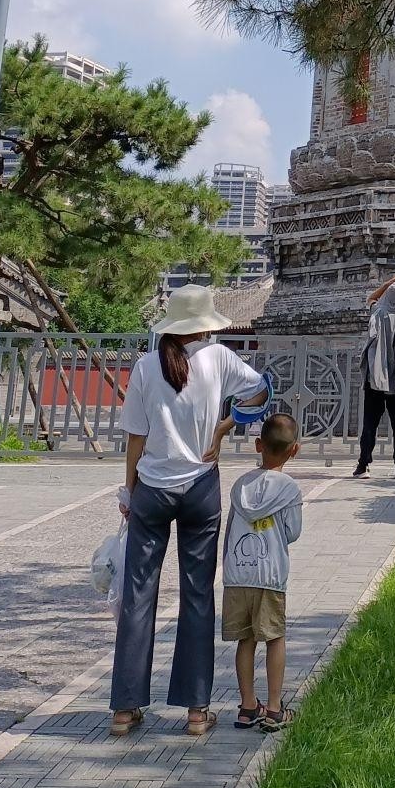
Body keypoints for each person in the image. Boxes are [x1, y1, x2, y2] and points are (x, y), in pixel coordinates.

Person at [108, 284, 267, 740]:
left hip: (152, 488)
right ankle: (197, 711)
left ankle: (124, 708)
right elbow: (261, 392)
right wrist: (225, 424)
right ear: (204, 325)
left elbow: (135, 437)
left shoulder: (144, 366)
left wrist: (130, 490)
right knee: (198, 595)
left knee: (138, 596)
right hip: (200, 485)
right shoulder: (219, 358)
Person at [217, 410, 303, 732]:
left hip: (238, 575)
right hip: (270, 577)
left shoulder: (240, 486)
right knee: (275, 637)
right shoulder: (289, 489)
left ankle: (248, 706)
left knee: (246, 640)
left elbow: (230, 528)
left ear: (258, 445)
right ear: (294, 450)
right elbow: (292, 532)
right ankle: (276, 709)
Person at [354, 276, 395, 478]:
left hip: (376, 378)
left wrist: (387, 283)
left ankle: (363, 466)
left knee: (370, 425)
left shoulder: (377, 313)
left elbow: (370, 299)